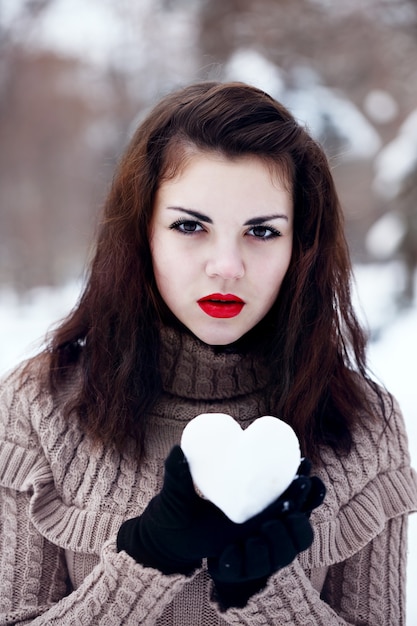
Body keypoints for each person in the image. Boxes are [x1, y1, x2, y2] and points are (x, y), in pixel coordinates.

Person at [0, 81, 416, 625]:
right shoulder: (38, 407)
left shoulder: (362, 424)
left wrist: (265, 593)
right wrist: (146, 560)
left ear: (301, 246)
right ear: (143, 233)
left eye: (262, 231)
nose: (227, 265)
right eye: (190, 226)